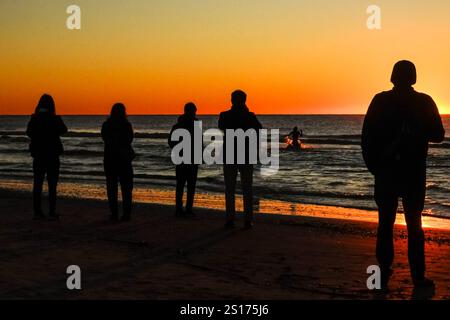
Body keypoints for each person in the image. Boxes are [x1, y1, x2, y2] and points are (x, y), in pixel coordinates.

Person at [362, 60, 445, 290]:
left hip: (388, 172)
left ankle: (384, 272)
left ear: (392, 77)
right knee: (413, 224)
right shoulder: (424, 101)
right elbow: (439, 134)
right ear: (414, 77)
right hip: (412, 172)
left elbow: (366, 138)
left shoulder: (380, 101)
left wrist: (374, 166)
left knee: (385, 223)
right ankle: (418, 277)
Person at [219, 90, 262, 230]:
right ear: (244, 101)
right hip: (245, 154)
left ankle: (230, 219)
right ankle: (247, 220)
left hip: (231, 154)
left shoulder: (225, 115)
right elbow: (258, 129)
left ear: (232, 100)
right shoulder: (249, 116)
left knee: (230, 188)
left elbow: (222, 127)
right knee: (247, 188)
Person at [26, 94, 68, 220]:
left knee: (37, 184)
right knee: (52, 184)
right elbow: (64, 130)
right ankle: (51, 211)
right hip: (52, 155)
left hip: (39, 155)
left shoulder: (35, 118)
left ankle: (37, 212)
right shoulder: (54, 119)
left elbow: (29, 133)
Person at [101, 103, 135, 222]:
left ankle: (114, 213)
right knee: (126, 188)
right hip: (124, 160)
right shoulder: (126, 125)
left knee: (112, 188)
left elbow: (105, 139)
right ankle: (126, 214)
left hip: (110, 160)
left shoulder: (106, 125)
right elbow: (129, 139)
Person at [168, 102, 200, 217]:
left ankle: (180, 208)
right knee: (188, 185)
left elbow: (171, 142)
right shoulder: (194, 125)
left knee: (181, 184)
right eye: (194, 112)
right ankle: (186, 208)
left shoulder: (177, 125)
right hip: (189, 159)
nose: (195, 114)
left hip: (183, 158)